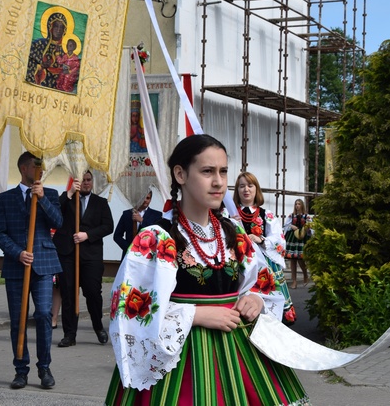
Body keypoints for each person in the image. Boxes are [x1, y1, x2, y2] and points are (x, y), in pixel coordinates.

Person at [106, 134, 310, 405]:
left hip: (239, 352)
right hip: (181, 359)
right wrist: (195, 315)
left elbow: (263, 283)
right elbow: (129, 310)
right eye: (207, 171)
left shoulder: (234, 232)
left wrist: (255, 299)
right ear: (180, 174)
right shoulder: (155, 239)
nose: (218, 182)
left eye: (223, 172)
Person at [0, 151, 63, 390]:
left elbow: (59, 223)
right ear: (24, 168)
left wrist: (41, 199)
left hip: (43, 264)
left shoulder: (50, 194)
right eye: (37, 165)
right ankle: (21, 370)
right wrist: (17, 252)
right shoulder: (6, 198)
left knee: (43, 313)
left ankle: (45, 368)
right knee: (18, 319)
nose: (41, 169)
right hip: (16, 266)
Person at [54, 170, 114, 347]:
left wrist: (87, 235)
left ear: (92, 182)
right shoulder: (67, 199)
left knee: (93, 293)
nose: (86, 183)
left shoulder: (100, 203)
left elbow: (108, 226)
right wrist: (70, 193)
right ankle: (69, 334)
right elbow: (54, 211)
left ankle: (98, 327)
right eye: (82, 181)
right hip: (68, 255)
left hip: (91, 256)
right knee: (69, 294)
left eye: (88, 180)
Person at [233, 171, 296, 325]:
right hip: (239, 264)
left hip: (264, 265)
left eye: (250, 185)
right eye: (242, 186)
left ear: (256, 189)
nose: (246, 189)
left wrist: (260, 239)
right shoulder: (230, 213)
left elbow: (279, 240)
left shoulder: (266, 215)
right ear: (237, 190)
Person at [113, 190, 162, 260]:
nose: (145, 200)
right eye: (143, 198)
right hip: (129, 256)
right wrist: (129, 248)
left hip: (147, 256)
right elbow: (117, 236)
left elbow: (157, 233)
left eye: (148, 198)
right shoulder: (127, 214)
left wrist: (142, 221)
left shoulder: (156, 215)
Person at [26, 11, 67, 90]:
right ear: (50, 27)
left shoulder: (64, 53)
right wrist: (40, 66)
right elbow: (28, 62)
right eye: (56, 26)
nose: (58, 30)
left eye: (61, 27)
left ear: (64, 31)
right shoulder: (38, 44)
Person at [283, 198, 311, 289]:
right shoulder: (291, 216)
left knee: (300, 259)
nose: (297, 206)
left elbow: (311, 227)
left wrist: (306, 228)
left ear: (302, 205)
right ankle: (294, 281)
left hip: (302, 238)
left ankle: (305, 275)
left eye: (299, 204)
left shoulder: (306, 216)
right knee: (292, 259)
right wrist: (291, 226)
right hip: (292, 238)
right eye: (296, 204)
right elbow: (285, 226)